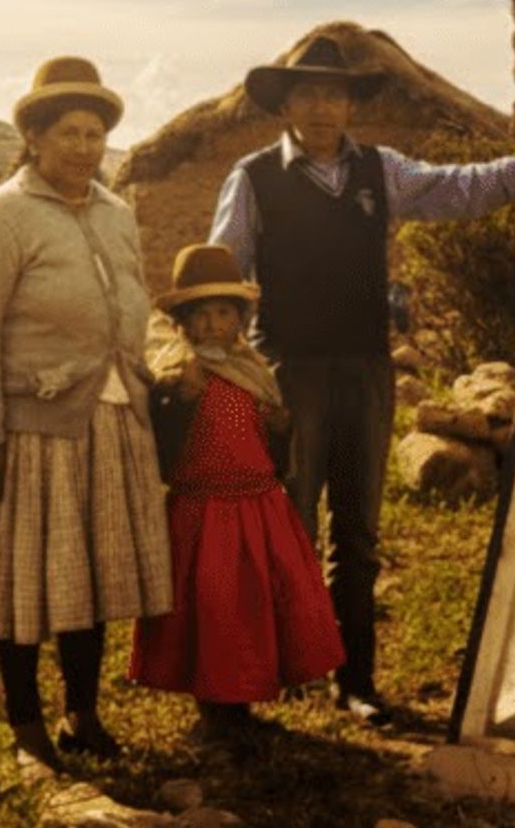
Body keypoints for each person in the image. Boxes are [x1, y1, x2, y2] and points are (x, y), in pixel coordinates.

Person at [210, 33, 515, 726]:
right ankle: (278, 666)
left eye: (334, 93)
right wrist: (227, 368)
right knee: (288, 522)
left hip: (365, 371)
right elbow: (224, 270)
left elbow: (456, 190)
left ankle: (356, 681)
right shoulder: (253, 177)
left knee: (358, 528)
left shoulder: (383, 172)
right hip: (287, 369)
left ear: (351, 105)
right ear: (286, 104)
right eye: (307, 93)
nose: (321, 106)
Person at [0, 57, 171, 779]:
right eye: (69, 132)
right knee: (24, 586)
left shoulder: (113, 211)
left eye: (95, 134)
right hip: (34, 428)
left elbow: (136, 301)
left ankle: (82, 713)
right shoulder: (5, 214)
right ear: (33, 137)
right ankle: (27, 725)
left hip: (110, 418)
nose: (85, 147)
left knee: (91, 580)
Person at [129, 243, 345, 739]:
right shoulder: (174, 374)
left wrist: (280, 426)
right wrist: (178, 403)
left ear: (241, 318)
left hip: (257, 507)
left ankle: (245, 699)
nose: (211, 326)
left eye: (223, 313)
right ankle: (213, 707)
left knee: (254, 606)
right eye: (199, 316)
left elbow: (272, 448)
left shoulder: (253, 372)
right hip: (203, 511)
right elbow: (162, 447)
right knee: (210, 608)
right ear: (183, 321)